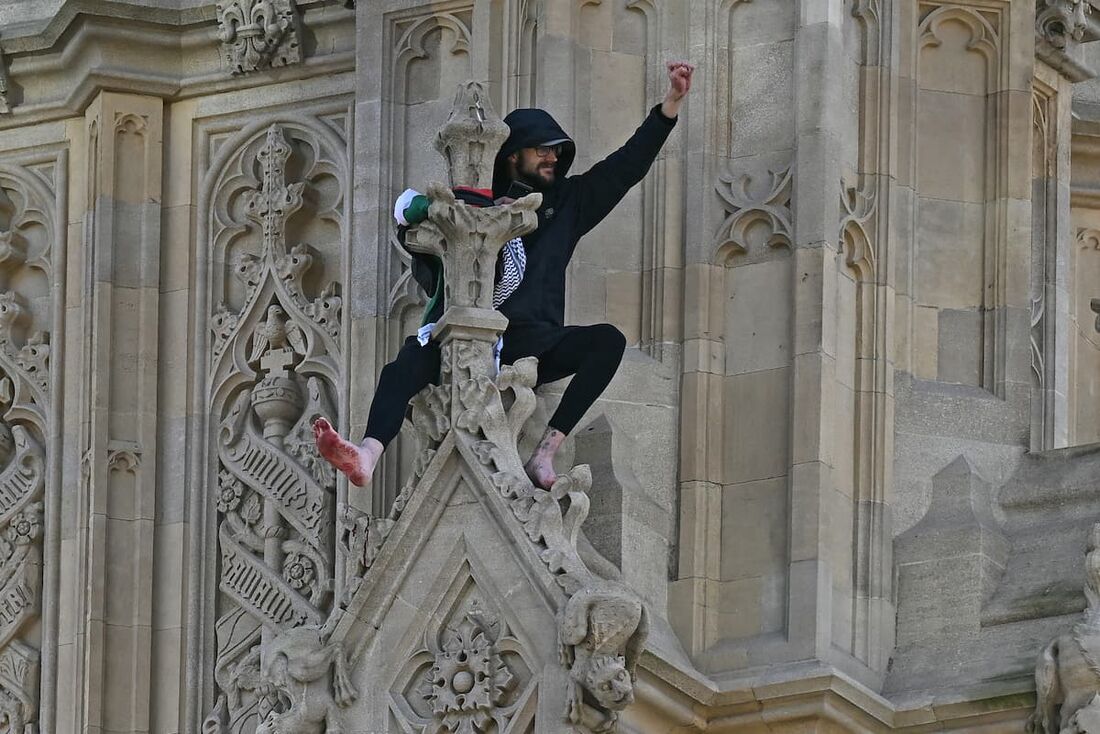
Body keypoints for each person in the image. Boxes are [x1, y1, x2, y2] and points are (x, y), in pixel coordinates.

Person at [315, 60, 695, 490]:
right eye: (543, 150)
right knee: (404, 366)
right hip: (465, 335)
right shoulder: (474, 204)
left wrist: (669, 106)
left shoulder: (566, 204)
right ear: (514, 156)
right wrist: (434, 213)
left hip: (531, 340)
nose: (554, 157)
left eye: (557, 150)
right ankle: (367, 454)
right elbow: (412, 222)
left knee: (607, 342)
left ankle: (545, 453)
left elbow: (624, 168)